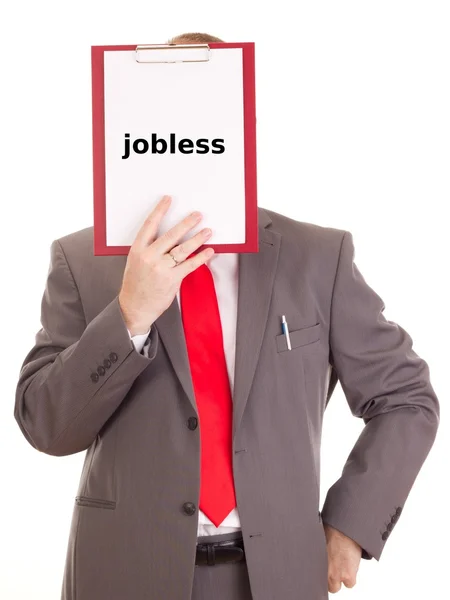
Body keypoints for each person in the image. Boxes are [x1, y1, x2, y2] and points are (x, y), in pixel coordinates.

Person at [14, 33, 439, 600]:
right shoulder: (82, 262)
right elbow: (45, 426)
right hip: (121, 574)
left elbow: (406, 398)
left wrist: (351, 526)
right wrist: (130, 314)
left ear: (244, 130)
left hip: (280, 574)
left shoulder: (318, 257)